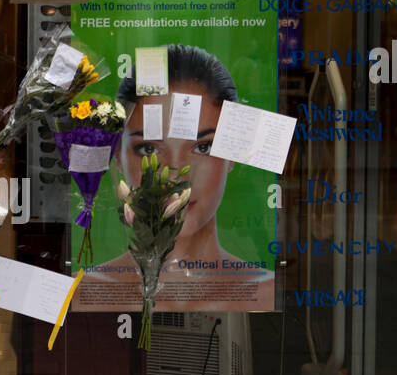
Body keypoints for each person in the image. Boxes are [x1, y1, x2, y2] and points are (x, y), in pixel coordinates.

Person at [93, 44, 273, 311]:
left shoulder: (267, 293)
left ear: (232, 153)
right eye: (149, 149)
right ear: (117, 157)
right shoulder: (86, 293)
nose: (175, 175)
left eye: (202, 147)